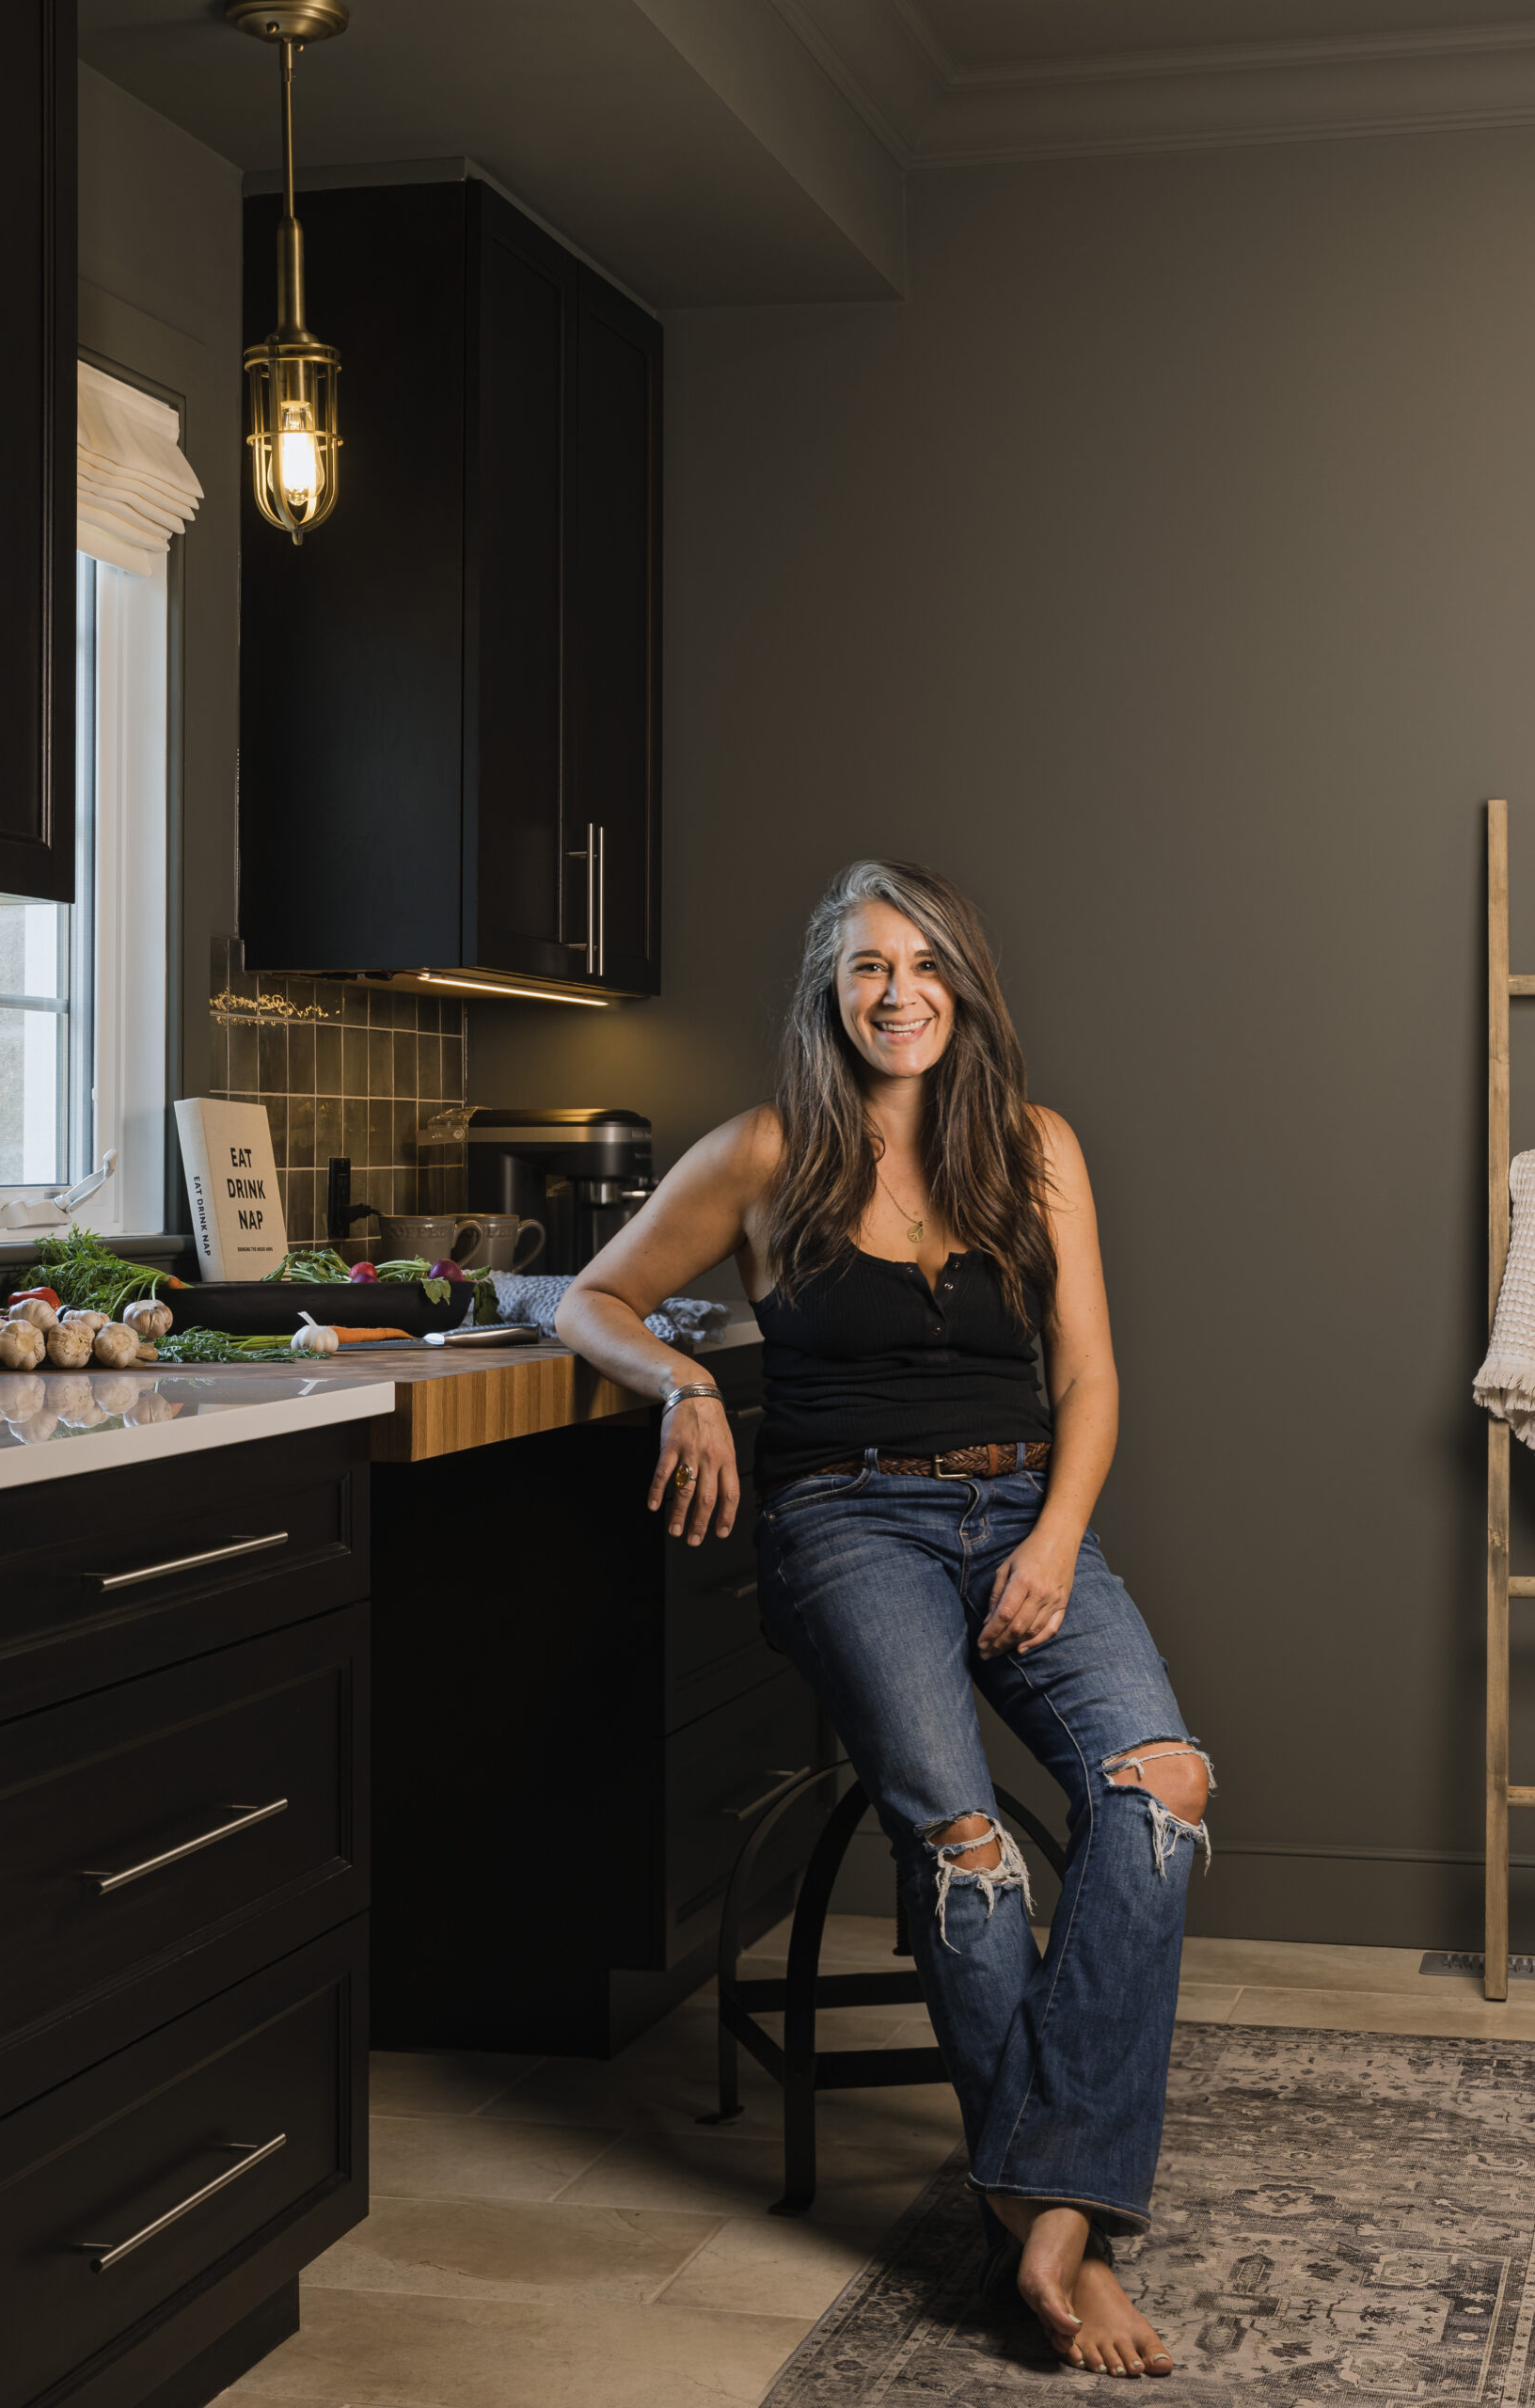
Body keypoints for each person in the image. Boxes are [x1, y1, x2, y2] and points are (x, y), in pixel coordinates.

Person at [555, 859, 1211, 2377]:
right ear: (827, 994)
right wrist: (687, 1381)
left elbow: (1092, 1377)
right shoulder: (765, 1151)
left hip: (1021, 1514)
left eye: (922, 964)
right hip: (842, 1521)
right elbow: (590, 1298)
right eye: (865, 967)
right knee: (965, 1847)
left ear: (964, 986)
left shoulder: (1037, 1151)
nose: (897, 990)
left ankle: (1037, 2188)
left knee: (1161, 1787)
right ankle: (1064, 2226)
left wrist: (1054, 1540)